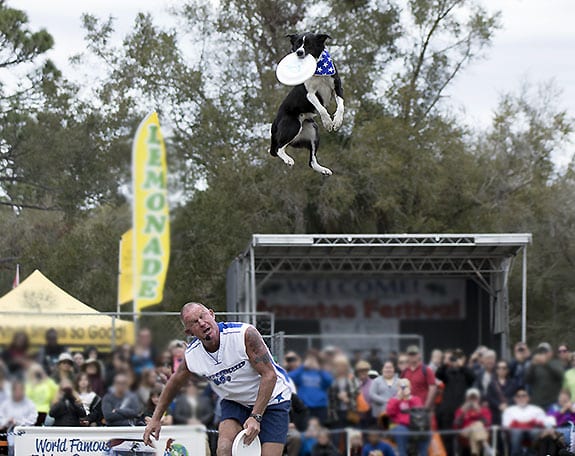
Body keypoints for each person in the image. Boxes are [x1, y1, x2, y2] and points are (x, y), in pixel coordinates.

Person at [143, 302, 293, 456]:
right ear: (189, 332)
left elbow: (270, 375)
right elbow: (173, 383)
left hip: (273, 400)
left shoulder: (244, 335)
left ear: (212, 314)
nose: (201, 323)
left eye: (202, 316)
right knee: (224, 449)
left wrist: (255, 416)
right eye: (194, 322)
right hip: (236, 401)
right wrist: (156, 419)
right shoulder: (192, 356)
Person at [502, 387, 555, 455]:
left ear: (528, 398)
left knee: (535, 431)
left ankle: (534, 454)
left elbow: (545, 422)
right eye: (518, 396)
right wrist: (528, 423)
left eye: (524, 396)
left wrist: (521, 423)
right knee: (517, 432)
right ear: (515, 398)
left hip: (534, 433)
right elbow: (506, 426)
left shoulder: (536, 410)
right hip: (514, 434)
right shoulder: (509, 410)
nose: (521, 398)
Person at [435, 349, 476, 437]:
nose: (456, 360)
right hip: (448, 410)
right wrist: (446, 363)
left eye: (459, 357)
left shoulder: (465, 371)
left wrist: (462, 366)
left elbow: (472, 378)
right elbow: (438, 374)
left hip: (462, 409)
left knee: (463, 437)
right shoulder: (447, 371)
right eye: (455, 358)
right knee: (447, 437)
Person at [386, 378, 430, 456]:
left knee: (426, 432)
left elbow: (419, 412)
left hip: (415, 426)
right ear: (397, 388)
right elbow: (390, 413)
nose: (403, 389)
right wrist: (398, 399)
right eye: (401, 386)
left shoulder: (416, 399)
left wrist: (409, 398)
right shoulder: (393, 400)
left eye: (406, 386)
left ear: (410, 388)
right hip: (399, 426)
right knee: (401, 431)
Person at [289, 350, 333, 425]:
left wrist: (319, 369)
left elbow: (329, 381)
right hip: (305, 406)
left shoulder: (321, 372)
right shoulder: (302, 372)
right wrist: (302, 367)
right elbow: (290, 377)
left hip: (320, 406)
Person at [453, 388, 492, 456]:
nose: (472, 401)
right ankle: (485, 444)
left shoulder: (484, 410)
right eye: (470, 398)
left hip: (478, 432)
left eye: (474, 398)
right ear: (466, 399)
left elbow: (487, 424)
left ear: (478, 399)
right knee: (477, 425)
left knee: (477, 426)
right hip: (465, 432)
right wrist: (463, 413)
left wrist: (479, 412)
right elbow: (455, 426)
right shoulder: (461, 410)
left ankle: (474, 452)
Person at [524, 342, 564, 410]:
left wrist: (546, 363)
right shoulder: (534, 365)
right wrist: (532, 365)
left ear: (551, 353)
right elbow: (527, 380)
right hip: (537, 404)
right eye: (540, 352)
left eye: (545, 351)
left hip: (552, 403)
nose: (543, 354)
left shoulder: (556, 363)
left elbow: (560, 375)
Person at [400, 345, 437, 410]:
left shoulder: (426, 370)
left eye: (414, 354)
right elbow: (401, 388)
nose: (412, 356)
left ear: (419, 355)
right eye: (410, 354)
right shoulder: (405, 371)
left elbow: (433, 389)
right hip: (407, 408)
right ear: (407, 356)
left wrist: (426, 406)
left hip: (421, 407)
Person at [328, 355, 360, 428]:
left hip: (350, 412)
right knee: (336, 435)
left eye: (342, 366)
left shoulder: (352, 379)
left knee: (350, 435)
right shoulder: (331, 379)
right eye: (338, 366)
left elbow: (357, 393)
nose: (340, 368)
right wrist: (337, 395)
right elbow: (328, 396)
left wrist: (348, 399)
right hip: (335, 412)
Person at [485, 359, 518, 425]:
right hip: (496, 413)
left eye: (504, 368)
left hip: (510, 412)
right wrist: (499, 405)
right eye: (499, 368)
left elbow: (516, 396)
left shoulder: (513, 383)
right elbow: (489, 397)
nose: (501, 370)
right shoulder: (492, 383)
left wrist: (507, 404)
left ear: (507, 370)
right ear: (496, 370)